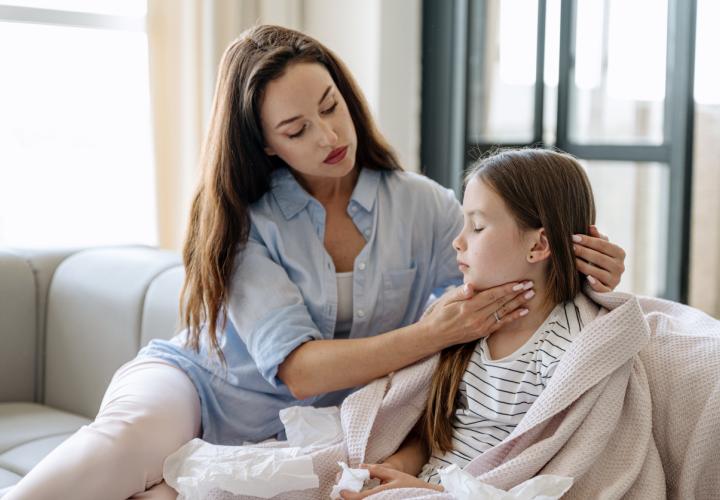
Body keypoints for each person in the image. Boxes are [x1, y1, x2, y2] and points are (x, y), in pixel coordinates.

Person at [5, 27, 625, 500]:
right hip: (201, 387)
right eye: (297, 129)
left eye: (331, 107)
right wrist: (431, 334)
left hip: (331, 424)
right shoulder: (242, 218)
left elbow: (511, 266)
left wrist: (588, 268)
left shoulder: (420, 205)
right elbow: (299, 371)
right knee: (112, 455)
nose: (329, 138)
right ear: (264, 143)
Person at [339, 148, 613, 498]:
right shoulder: (466, 325)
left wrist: (423, 490)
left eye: (478, 226)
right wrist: (395, 467)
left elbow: (543, 472)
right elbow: (434, 437)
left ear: (538, 244)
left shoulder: (567, 349)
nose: (458, 240)